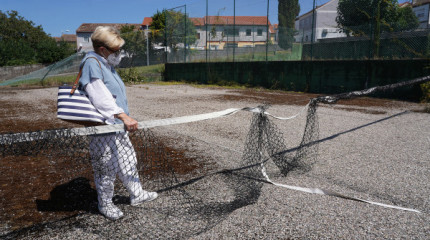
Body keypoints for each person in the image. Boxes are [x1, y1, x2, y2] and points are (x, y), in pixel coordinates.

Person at [78, 26, 157, 220]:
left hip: (116, 125)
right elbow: (100, 96)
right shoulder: (91, 62)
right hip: (103, 127)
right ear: (103, 49)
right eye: (116, 50)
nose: (119, 54)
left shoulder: (106, 64)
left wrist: (121, 118)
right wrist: (123, 116)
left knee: (128, 159)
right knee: (106, 166)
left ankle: (136, 193)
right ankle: (105, 203)